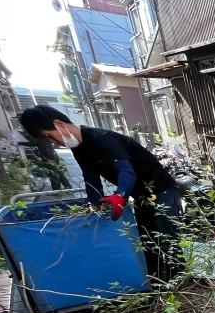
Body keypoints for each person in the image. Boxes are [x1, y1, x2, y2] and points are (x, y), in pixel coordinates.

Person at [18, 105, 181, 281]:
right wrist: (93, 201)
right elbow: (90, 175)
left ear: (59, 124)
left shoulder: (102, 138)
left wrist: (120, 195)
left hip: (162, 191)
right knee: (148, 243)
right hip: (141, 196)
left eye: (49, 135)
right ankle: (158, 283)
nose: (52, 142)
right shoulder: (79, 147)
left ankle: (180, 282)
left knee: (166, 241)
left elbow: (126, 171)